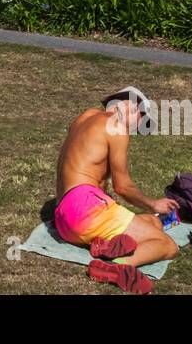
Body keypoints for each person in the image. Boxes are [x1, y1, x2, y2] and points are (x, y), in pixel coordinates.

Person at [53, 86, 179, 294]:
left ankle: (106, 247)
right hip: (86, 211)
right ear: (132, 106)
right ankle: (117, 265)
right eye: (141, 120)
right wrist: (153, 203)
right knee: (166, 245)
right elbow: (123, 186)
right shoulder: (116, 126)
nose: (137, 130)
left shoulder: (85, 117)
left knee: (153, 222)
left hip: (64, 219)